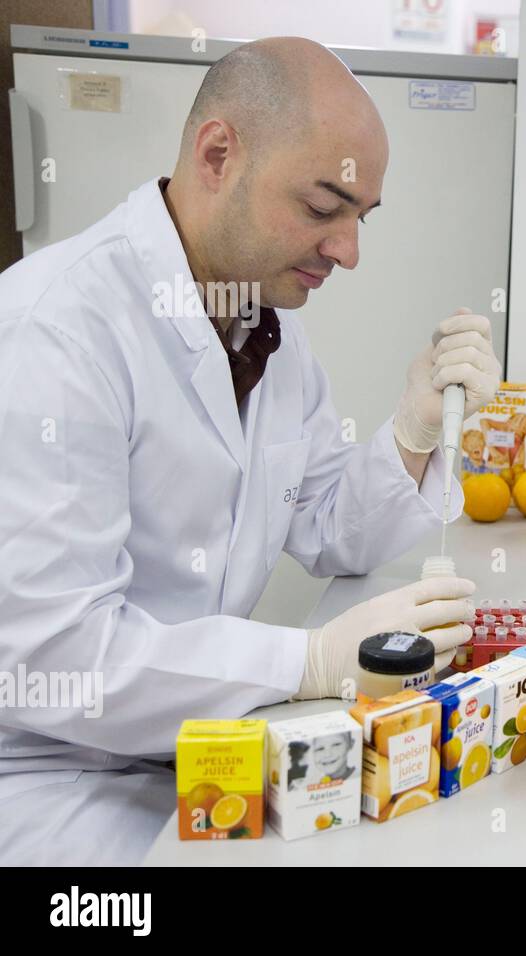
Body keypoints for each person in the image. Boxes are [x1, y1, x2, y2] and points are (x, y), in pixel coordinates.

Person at [0, 38, 500, 864]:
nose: (349, 251)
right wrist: (306, 659)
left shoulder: (265, 332)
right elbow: (57, 655)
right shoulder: (54, 335)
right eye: (323, 207)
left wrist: (412, 429)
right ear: (218, 154)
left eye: (360, 218)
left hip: (198, 749)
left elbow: (334, 530)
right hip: (53, 784)